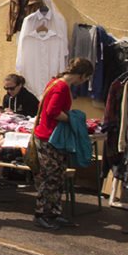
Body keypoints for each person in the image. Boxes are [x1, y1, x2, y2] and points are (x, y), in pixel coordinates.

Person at [31, 58, 94, 230]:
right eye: (86, 78)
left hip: (47, 136)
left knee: (57, 177)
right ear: (81, 75)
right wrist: (74, 120)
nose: (85, 82)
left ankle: (53, 213)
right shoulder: (62, 87)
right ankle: (41, 214)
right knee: (50, 177)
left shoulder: (55, 82)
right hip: (49, 138)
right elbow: (53, 112)